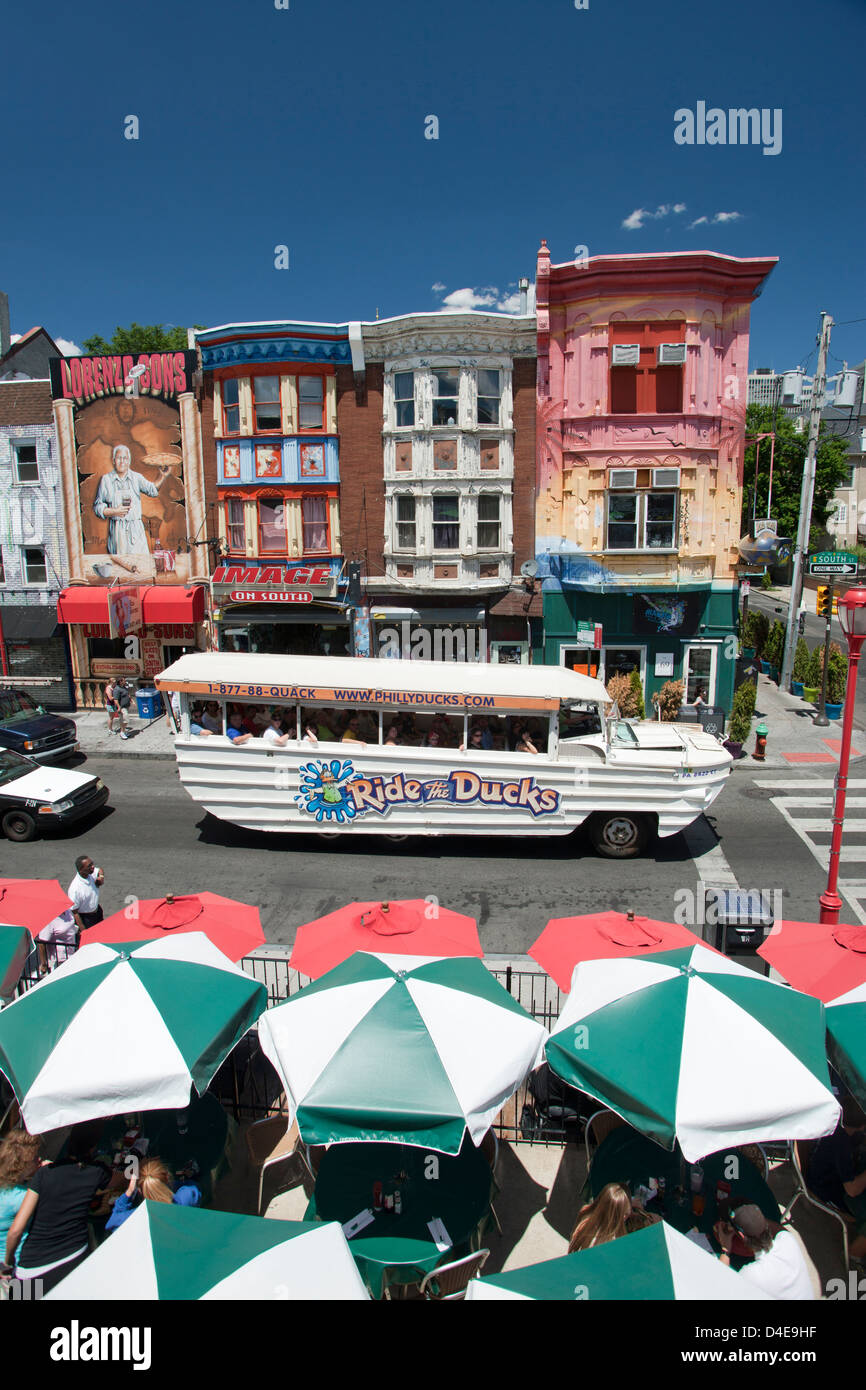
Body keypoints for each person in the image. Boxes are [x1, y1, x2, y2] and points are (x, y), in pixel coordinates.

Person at [3, 1123, 111, 1296]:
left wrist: (8, 1262)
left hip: (29, 1270)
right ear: (93, 1147)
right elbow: (125, 1180)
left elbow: (16, 1229)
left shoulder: (38, 1177)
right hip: (68, 1262)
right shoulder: (97, 1172)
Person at [715, 1204, 820, 1299]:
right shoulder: (787, 1239)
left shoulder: (752, 1273)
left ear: (742, 1236)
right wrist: (752, 1221)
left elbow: (721, 1289)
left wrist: (725, 1249)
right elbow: (776, 1228)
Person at [807, 1098, 866, 1261]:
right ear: (862, 1126)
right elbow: (852, 1190)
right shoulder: (842, 1146)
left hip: (825, 1177)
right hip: (826, 1189)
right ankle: (854, 1256)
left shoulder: (837, 1128)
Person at [93, 444, 172, 556]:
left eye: (124, 458)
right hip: (117, 531)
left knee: (141, 564)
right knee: (121, 567)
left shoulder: (136, 478)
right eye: (119, 458)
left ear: (129, 461)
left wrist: (162, 476)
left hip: (136, 530)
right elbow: (98, 507)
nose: (122, 461)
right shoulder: (106, 480)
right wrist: (114, 511)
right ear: (113, 460)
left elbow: (152, 490)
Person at [104, 1157, 201, 1234]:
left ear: (140, 1192)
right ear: (168, 1177)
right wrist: (169, 1185)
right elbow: (193, 1187)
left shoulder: (137, 1218)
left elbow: (112, 1222)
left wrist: (129, 1191)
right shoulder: (186, 1197)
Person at [0, 1131, 42, 1290]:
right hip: (16, 1266)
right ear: (23, 1163)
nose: (38, 1160)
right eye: (35, 1158)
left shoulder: (6, 1188)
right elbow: (15, 1232)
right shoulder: (23, 1197)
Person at [568, 1183, 633, 1252]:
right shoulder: (609, 1241)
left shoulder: (587, 1217)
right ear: (614, 1215)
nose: (625, 1217)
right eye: (624, 1214)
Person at [68, 855, 104, 932]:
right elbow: (75, 912)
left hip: (97, 912)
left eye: (92, 864)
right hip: (87, 919)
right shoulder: (75, 889)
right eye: (89, 866)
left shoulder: (90, 873)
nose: (93, 867)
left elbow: (100, 870)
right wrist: (83, 930)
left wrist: (101, 877)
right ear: (81, 869)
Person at [37, 908, 78, 974]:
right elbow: (42, 943)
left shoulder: (68, 911)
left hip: (72, 953)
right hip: (59, 959)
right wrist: (44, 964)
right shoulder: (49, 920)